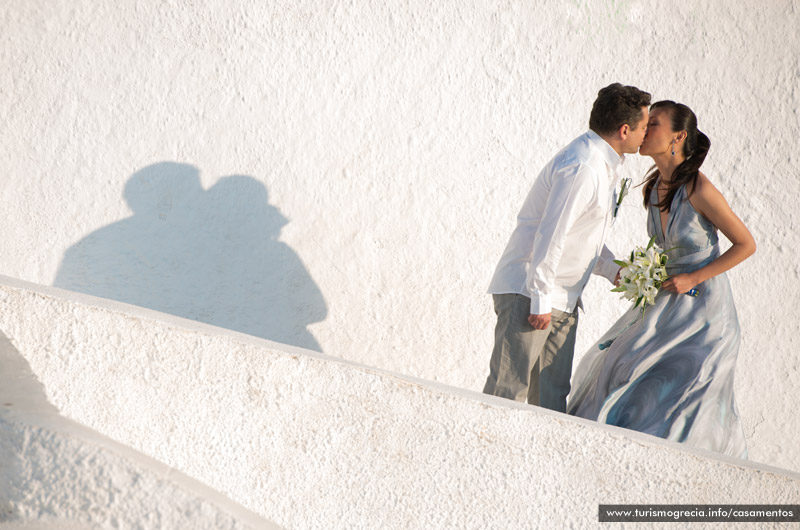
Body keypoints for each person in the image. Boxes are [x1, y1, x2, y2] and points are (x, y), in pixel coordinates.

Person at [567, 101, 756, 458]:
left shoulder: (700, 188)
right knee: (621, 367)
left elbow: (746, 244)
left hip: (705, 316)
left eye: (653, 123)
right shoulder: (653, 188)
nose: (644, 127)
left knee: (685, 398)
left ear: (678, 137)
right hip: (665, 303)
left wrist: (692, 277)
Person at [483, 83, 652, 411]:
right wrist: (540, 298)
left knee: (551, 403)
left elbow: (583, 237)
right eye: (644, 127)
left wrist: (615, 271)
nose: (646, 134)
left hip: (562, 299)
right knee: (507, 393)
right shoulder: (583, 166)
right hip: (530, 294)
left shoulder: (603, 166)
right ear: (624, 130)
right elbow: (552, 233)